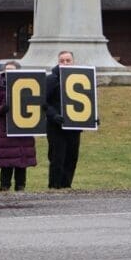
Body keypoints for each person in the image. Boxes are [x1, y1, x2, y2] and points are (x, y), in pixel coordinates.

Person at [0, 60, 37, 191]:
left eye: (12, 70)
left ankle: (21, 187)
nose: (9, 73)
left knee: (22, 160)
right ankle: (4, 187)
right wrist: (3, 108)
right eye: (7, 70)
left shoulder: (28, 86)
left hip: (23, 129)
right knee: (6, 161)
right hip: (5, 130)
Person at [45, 50, 82, 189]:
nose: (65, 63)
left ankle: (67, 186)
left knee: (72, 158)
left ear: (73, 62)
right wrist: (54, 115)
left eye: (68, 60)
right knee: (57, 158)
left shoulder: (81, 78)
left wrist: (92, 118)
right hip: (56, 127)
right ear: (58, 62)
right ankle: (54, 187)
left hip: (74, 126)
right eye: (62, 60)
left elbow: (87, 103)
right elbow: (43, 103)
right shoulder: (51, 79)